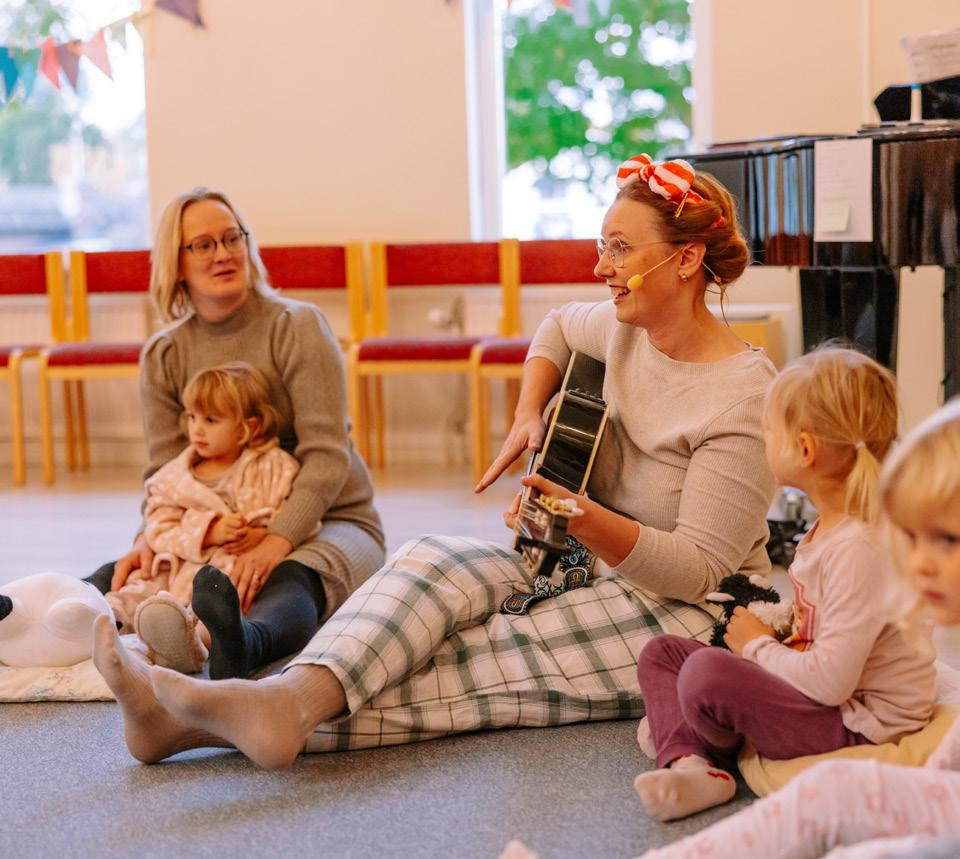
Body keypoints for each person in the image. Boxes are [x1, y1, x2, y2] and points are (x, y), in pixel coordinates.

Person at [92, 154, 779, 768]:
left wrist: (576, 515)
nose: (601, 268)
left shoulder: (742, 396)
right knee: (428, 561)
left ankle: (197, 724)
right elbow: (555, 328)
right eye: (602, 246)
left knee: (480, 654)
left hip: (688, 616)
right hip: (583, 560)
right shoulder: (621, 327)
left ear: (686, 260)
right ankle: (278, 700)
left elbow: (695, 570)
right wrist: (529, 413)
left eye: (621, 249)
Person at [86, 188, 385, 679]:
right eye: (203, 245)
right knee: (134, 569)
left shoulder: (298, 325)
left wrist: (276, 541)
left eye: (232, 238)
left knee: (288, 579)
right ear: (176, 263)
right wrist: (149, 536)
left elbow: (328, 454)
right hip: (216, 525)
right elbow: (165, 471)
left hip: (328, 518)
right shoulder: (164, 353)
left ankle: (242, 644)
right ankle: (45, 610)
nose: (223, 253)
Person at [632, 347, 937, 822]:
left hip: (857, 721)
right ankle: (692, 763)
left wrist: (757, 646)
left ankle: (689, 738)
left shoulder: (860, 548)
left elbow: (832, 684)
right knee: (663, 655)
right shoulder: (828, 530)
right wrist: (776, 637)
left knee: (705, 674)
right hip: (827, 695)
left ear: (805, 450)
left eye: (769, 431)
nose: (764, 440)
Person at [106, 361, 306, 675]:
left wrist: (262, 534)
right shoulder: (175, 475)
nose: (196, 429)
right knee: (137, 590)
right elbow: (158, 524)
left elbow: (296, 513)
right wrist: (208, 531)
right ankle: (103, 623)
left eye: (211, 420)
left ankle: (192, 645)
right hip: (177, 565)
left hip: (230, 568)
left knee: (220, 608)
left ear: (247, 428)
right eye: (192, 416)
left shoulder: (273, 467)